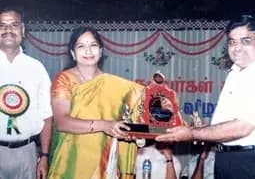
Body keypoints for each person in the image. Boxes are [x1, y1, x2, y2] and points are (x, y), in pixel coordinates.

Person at [156, 15, 255, 179]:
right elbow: (231, 121)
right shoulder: (235, 73)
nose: (237, 48)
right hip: (226, 158)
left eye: (245, 41)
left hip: (247, 160)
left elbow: (242, 127)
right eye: (232, 42)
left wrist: (192, 133)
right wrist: (201, 130)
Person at [48, 26, 143, 179]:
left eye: (93, 45)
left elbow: (134, 114)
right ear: (73, 53)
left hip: (103, 163)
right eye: (81, 46)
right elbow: (62, 122)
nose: (88, 51)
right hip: (70, 161)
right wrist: (105, 125)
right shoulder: (64, 79)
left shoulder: (114, 85)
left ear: (101, 51)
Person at [0, 8, 53, 179]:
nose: (8, 30)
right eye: (2, 25)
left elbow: (47, 116)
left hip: (27, 153)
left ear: (22, 31)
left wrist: (44, 156)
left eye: (14, 25)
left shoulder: (36, 68)